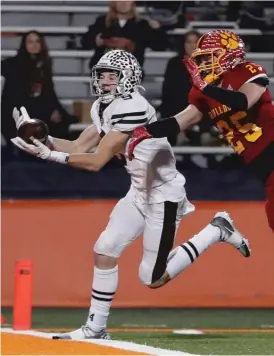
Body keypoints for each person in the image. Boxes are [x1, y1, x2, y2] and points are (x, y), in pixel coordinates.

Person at [11, 50, 250, 340]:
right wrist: (39, 138)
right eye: (102, 75)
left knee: (152, 278)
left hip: (164, 195)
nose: (105, 81)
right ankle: (96, 328)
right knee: (104, 250)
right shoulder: (104, 106)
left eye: (113, 75)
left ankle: (216, 230)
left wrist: (49, 155)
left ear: (130, 78)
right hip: (139, 190)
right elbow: (76, 147)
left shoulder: (132, 107)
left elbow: (96, 161)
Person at [127, 30, 274, 233]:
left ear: (229, 53)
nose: (204, 62)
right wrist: (144, 131)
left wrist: (206, 87)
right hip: (262, 165)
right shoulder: (202, 92)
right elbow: (181, 121)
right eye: (201, 58)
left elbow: (243, 102)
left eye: (209, 56)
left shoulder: (248, 70)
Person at [1, 30, 77, 144]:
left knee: (62, 122)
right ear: (24, 45)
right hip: (17, 108)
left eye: (37, 41)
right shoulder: (13, 64)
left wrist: (55, 110)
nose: (34, 45)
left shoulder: (43, 64)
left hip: (36, 105)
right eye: (30, 42)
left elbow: (49, 91)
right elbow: (15, 95)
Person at [81, 0, 170, 71]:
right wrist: (95, 41)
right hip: (104, 72)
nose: (123, 3)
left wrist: (158, 30)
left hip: (130, 73)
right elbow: (85, 43)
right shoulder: (102, 22)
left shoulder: (141, 25)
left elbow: (160, 46)